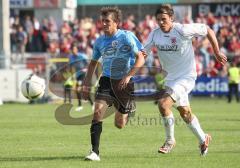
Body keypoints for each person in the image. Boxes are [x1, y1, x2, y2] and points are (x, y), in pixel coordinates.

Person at [144, 4, 227, 156]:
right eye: (158, 20)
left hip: (186, 76)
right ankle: (203, 139)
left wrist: (216, 51)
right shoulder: (155, 34)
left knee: (163, 104)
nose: (161, 23)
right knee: (185, 113)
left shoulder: (182, 30)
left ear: (172, 18)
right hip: (170, 78)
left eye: (164, 19)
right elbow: (143, 53)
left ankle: (170, 141)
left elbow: (207, 30)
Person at [82, 7, 145, 161]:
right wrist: (86, 84)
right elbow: (92, 64)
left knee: (120, 124)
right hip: (106, 81)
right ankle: (95, 152)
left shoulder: (127, 37)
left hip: (125, 83)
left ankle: (127, 111)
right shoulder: (99, 42)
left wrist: (129, 76)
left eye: (107, 21)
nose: (104, 24)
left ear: (116, 23)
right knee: (97, 112)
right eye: (102, 21)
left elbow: (141, 58)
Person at [69, 45, 93, 111]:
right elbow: (71, 67)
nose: (73, 51)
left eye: (74, 49)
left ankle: (80, 105)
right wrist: (72, 76)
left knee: (78, 88)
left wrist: (86, 68)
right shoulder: (71, 57)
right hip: (78, 75)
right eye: (72, 50)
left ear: (77, 50)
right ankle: (91, 104)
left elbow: (89, 63)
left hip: (84, 74)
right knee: (81, 91)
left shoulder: (82, 56)